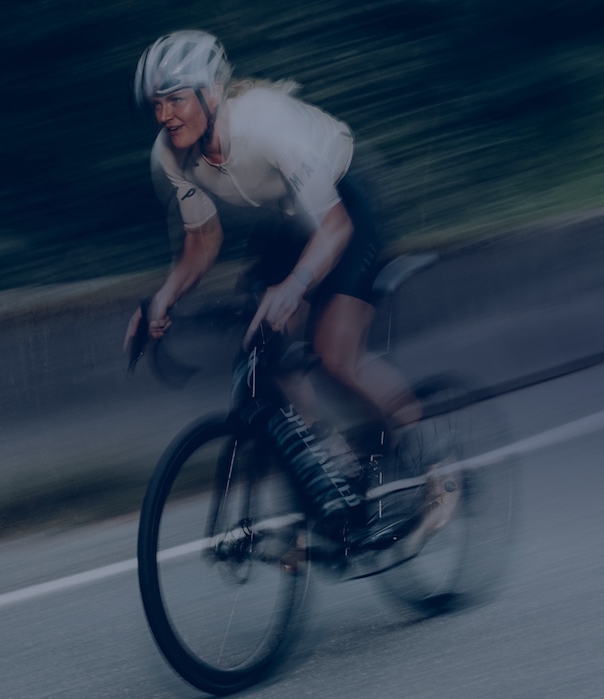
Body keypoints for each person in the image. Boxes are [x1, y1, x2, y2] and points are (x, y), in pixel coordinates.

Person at [123, 30, 421, 550]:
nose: (165, 115)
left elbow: (334, 227)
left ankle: (420, 452)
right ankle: (332, 467)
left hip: (346, 206)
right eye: (156, 104)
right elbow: (202, 239)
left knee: (333, 353)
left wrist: (296, 286)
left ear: (211, 94)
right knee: (263, 345)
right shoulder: (170, 156)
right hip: (287, 220)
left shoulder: (264, 123)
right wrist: (164, 297)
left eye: (176, 99)